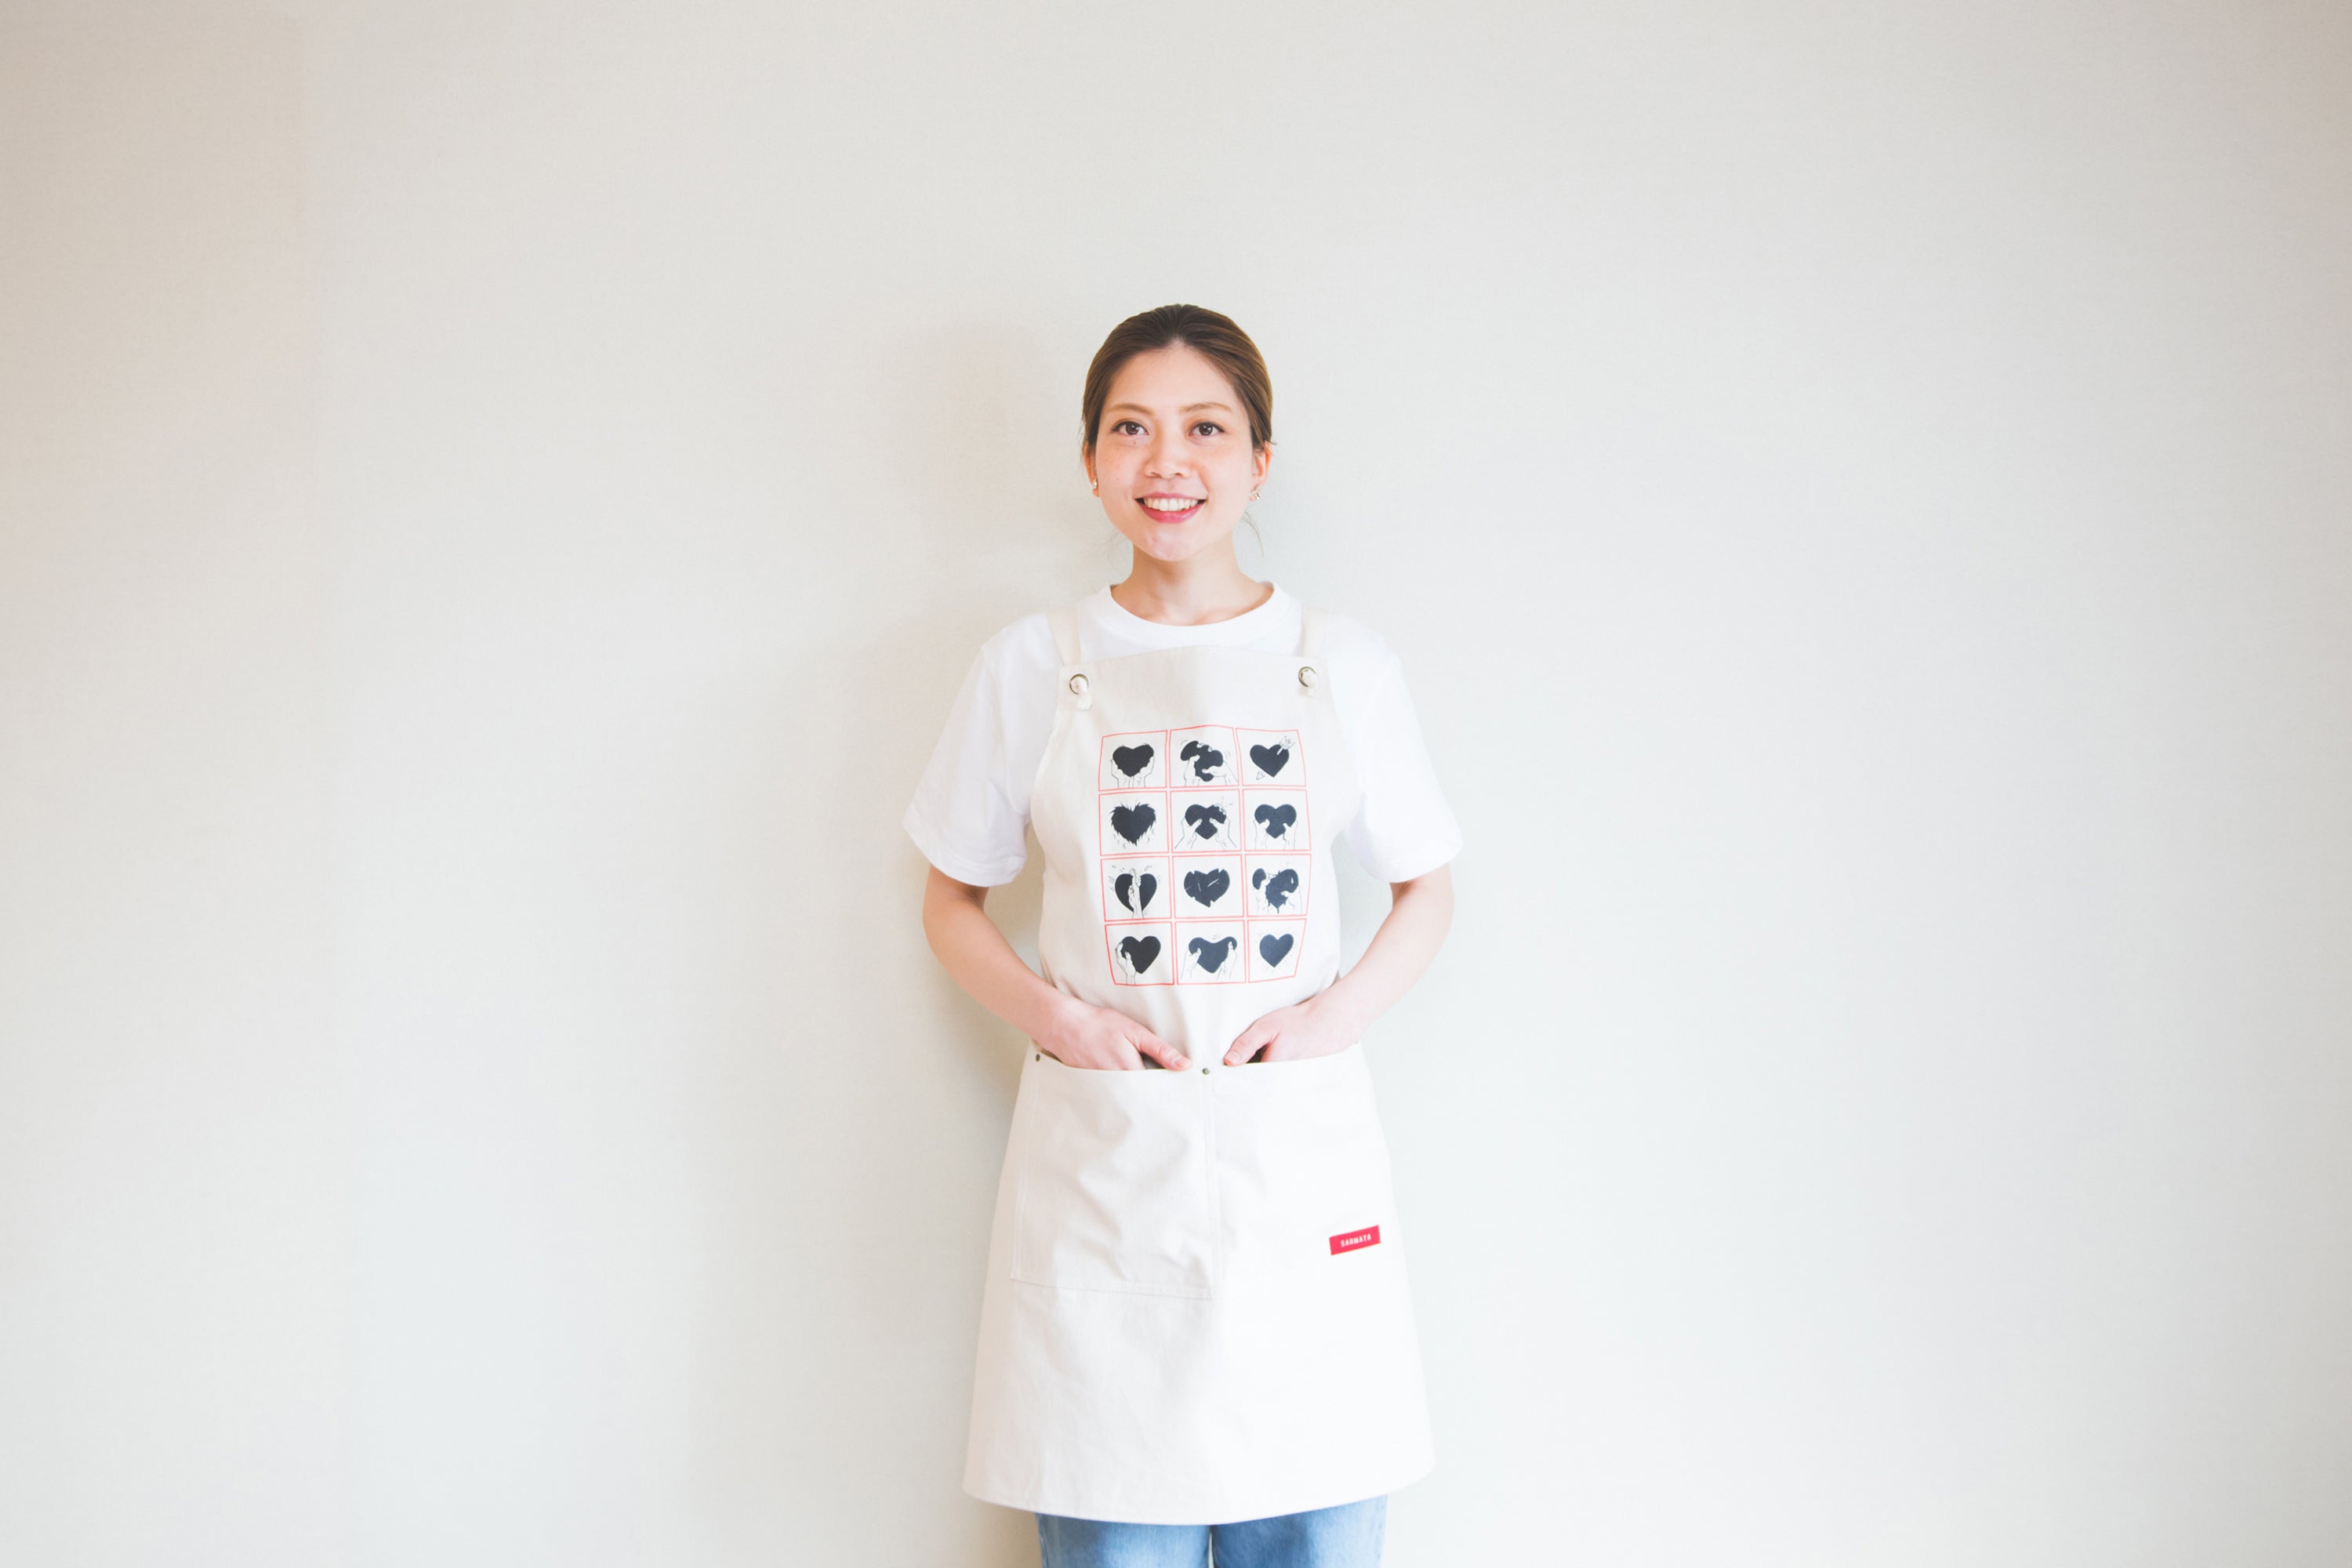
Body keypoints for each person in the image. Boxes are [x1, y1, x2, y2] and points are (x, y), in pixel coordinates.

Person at [904, 303, 1461, 1568]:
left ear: (1259, 460)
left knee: (1314, 1521)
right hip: (1109, 1167)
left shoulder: (1342, 663)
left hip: (1294, 1159)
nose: (1168, 462)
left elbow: (1427, 890)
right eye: (1131, 429)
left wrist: (1329, 1020)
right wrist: (1063, 1020)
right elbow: (950, 901)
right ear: (1090, 460)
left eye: (1206, 429)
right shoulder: (1032, 665)